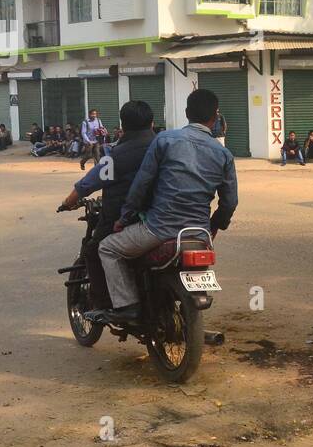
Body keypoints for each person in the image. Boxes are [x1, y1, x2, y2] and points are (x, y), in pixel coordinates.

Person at [91, 89, 238, 325]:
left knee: (107, 248)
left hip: (158, 228)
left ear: (187, 113)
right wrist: (213, 226)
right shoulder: (224, 154)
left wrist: (124, 218)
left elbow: (142, 183)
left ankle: (127, 306)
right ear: (215, 117)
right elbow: (230, 201)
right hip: (198, 234)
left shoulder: (165, 140)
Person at [60, 100, 158, 310]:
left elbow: (88, 184)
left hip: (123, 217)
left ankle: (104, 305)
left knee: (94, 251)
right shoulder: (164, 147)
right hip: (164, 215)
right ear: (152, 123)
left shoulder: (116, 156)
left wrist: (68, 202)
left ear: (123, 126)